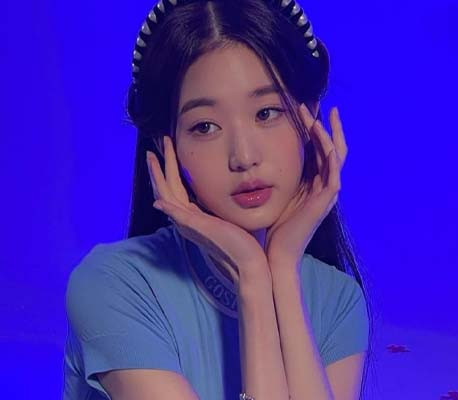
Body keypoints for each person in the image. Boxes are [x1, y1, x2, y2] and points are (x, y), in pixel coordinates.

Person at [63, 0, 374, 399]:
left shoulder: (337, 301)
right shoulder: (113, 286)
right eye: (205, 126)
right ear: (166, 144)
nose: (243, 156)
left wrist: (280, 271)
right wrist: (252, 278)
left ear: (310, 117)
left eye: (266, 113)